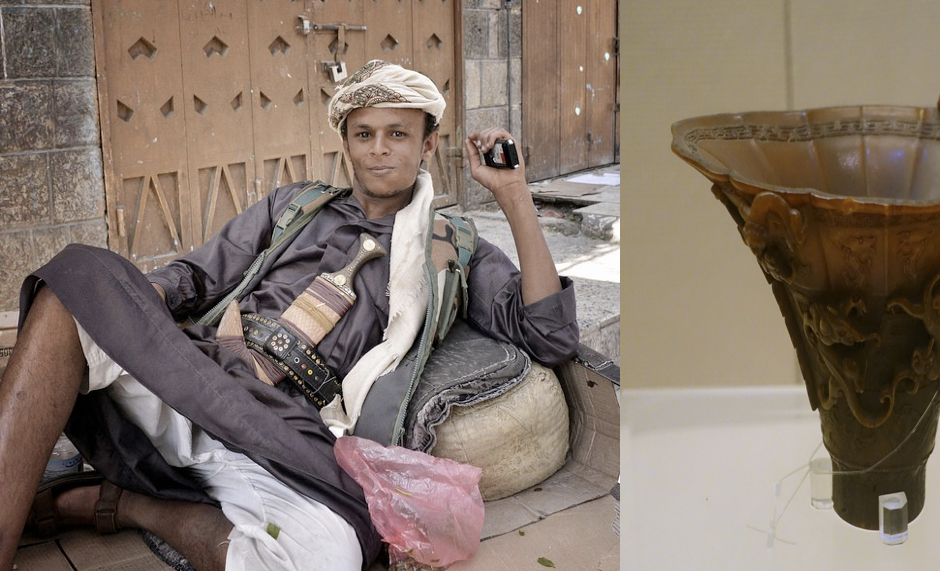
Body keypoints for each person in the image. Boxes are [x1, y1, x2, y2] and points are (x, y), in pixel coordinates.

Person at [0, 61, 578, 571]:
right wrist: (145, 294)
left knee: (329, 553)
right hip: (198, 373)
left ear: (428, 145)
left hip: (283, 427)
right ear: (346, 145)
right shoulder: (294, 206)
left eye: (398, 134)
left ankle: (131, 505)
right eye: (364, 135)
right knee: (77, 278)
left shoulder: (450, 250)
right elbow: (199, 274)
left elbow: (549, 336)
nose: (380, 148)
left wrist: (513, 193)